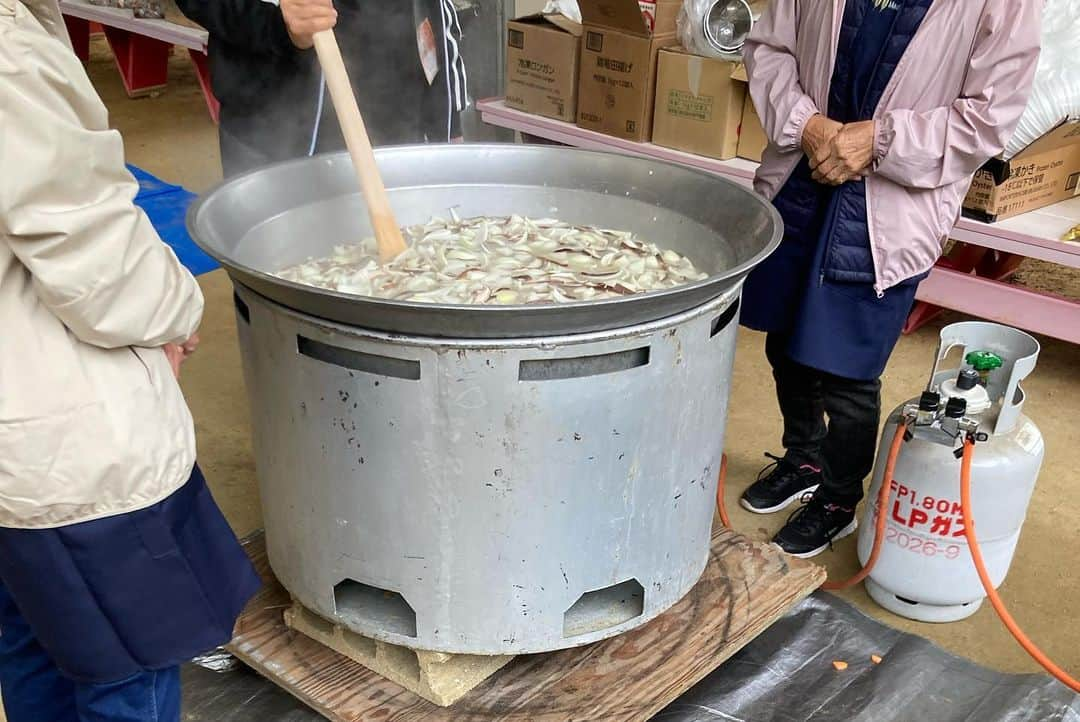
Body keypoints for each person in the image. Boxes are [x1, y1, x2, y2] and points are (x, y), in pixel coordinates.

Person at [0, 1, 263, 719]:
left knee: (35, 637)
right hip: (57, 433)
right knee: (127, 663)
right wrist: (176, 309)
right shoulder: (8, 51)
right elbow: (90, 248)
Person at [737, 0, 1041, 558]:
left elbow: (987, 119)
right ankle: (803, 456)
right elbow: (769, 48)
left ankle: (837, 497)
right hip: (802, 178)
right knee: (784, 340)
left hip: (887, 208)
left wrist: (874, 141)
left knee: (847, 371)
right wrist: (807, 125)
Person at [175, 0, 468, 178]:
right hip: (281, 136)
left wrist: (446, 120)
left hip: (403, 130)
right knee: (279, 267)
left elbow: (436, 11)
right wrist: (275, 22)